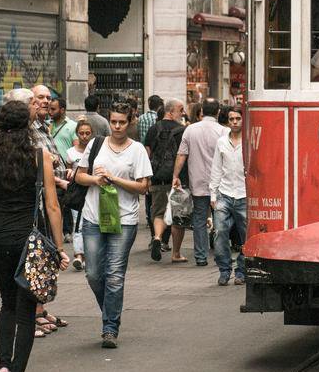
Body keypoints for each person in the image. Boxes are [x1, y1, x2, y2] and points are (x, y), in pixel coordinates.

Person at [0, 99, 67, 371]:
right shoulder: (40, 156)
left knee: (7, 304)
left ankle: (3, 364)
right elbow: (52, 206)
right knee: (26, 309)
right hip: (31, 239)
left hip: (0, 236)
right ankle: (17, 368)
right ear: (28, 125)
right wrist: (59, 247)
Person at [74, 102, 152, 348]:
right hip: (93, 217)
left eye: (122, 122)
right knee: (94, 273)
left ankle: (110, 328)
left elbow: (143, 186)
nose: (117, 126)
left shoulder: (137, 150)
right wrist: (96, 179)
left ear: (130, 123)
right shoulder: (97, 144)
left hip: (125, 219)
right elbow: (79, 176)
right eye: (114, 121)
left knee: (115, 275)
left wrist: (115, 179)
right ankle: (110, 310)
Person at [173, 99, 228, 266]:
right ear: (218, 112)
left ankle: (201, 256)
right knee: (221, 219)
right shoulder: (223, 131)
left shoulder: (190, 130)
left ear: (202, 111)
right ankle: (220, 254)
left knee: (199, 219)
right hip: (219, 183)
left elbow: (181, 155)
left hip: (197, 181)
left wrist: (175, 176)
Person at [145, 98, 187, 262]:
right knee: (178, 215)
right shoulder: (182, 130)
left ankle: (157, 237)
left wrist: (147, 177)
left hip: (157, 177)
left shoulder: (153, 129)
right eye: (181, 109)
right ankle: (176, 253)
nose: (183, 113)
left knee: (159, 212)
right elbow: (183, 155)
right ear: (171, 111)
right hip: (177, 179)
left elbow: (147, 154)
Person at [210, 107, 247, 284]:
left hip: (244, 195)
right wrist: (213, 194)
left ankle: (241, 270)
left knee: (247, 237)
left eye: (238, 118)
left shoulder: (249, 141)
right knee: (220, 233)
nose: (234, 122)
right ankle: (224, 270)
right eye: (231, 119)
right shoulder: (221, 142)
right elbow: (216, 168)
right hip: (224, 194)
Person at [67, 119, 95, 272]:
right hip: (77, 193)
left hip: (92, 191)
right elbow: (69, 171)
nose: (84, 136)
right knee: (78, 223)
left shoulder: (96, 150)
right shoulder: (71, 153)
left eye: (87, 133)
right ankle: (78, 255)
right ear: (77, 134)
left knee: (90, 223)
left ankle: (89, 255)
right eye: (81, 133)